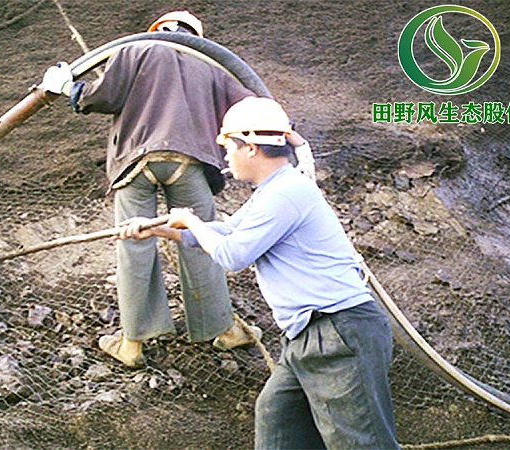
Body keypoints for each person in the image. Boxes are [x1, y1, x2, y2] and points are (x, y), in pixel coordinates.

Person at [119, 97, 399, 449]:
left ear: (250, 147)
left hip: (337, 332)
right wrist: (158, 229)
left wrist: (189, 218)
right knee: (277, 419)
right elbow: (226, 232)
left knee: (359, 442)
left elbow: (232, 254)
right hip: (307, 334)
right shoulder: (270, 193)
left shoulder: (287, 193)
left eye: (228, 147)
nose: (225, 157)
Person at [38, 11, 266, 368]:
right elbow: (253, 106)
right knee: (201, 241)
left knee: (135, 244)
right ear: (196, 36)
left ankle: (132, 343)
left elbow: (101, 97)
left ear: (158, 30)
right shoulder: (212, 65)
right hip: (189, 163)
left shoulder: (134, 50)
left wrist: (69, 87)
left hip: (136, 162)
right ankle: (224, 330)